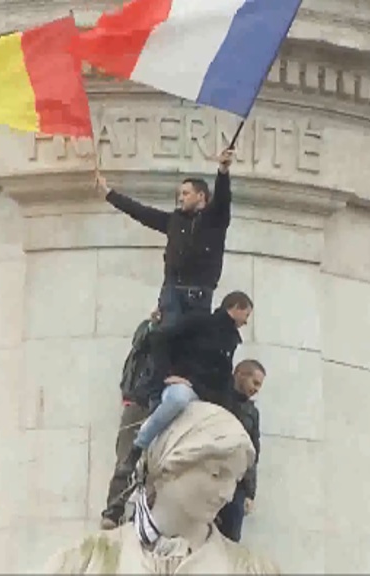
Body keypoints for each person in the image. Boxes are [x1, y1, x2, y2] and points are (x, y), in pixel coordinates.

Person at [39, 402, 279, 574]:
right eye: (216, 474)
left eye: (235, 480)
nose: (227, 494)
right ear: (168, 465)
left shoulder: (254, 570)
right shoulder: (81, 562)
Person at [116, 291, 253, 481]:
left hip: (205, 394)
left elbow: (221, 377)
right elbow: (161, 339)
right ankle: (137, 448)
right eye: (246, 314)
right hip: (185, 387)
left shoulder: (231, 340)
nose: (246, 321)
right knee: (177, 400)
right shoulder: (200, 322)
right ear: (236, 307)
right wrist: (168, 374)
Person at [96, 148, 234, 330]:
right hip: (172, 293)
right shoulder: (174, 221)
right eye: (180, 194)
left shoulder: (215, 219)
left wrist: (223, 172)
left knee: (193, 347)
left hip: (199, 295)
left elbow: (223, 199)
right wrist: (109, 193)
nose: (180, 198)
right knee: (164, 341)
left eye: (186, 193)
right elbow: (141, 212)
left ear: (201, 196)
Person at [100, 310, 161, 529]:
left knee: (157, 466)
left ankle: (143, 519)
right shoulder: (147, 332)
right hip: (139, 403)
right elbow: (142, 338)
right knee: (126, 459)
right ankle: (114, 511)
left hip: (161, 406)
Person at [215, 359, 266, 542]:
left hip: (235, 486)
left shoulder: (252, 412)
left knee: (230, 541)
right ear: (240, 375)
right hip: (209, 476)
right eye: (255, 382)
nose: (257, 389)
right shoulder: (217, 396)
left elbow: (253, 454)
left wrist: (250, 493)